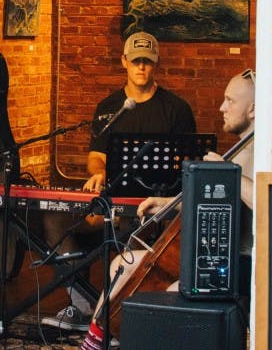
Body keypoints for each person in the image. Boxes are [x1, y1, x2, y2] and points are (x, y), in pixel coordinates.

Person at [81, 68, 256, 348]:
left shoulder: (264, 152)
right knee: (121, 265)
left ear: (253, 110)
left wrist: (226, 173)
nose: (221, 107)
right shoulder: (240, 149)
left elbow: (266, 200)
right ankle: (95, 341)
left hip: (238, 264)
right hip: (208, 256)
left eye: (230, 101)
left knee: (175, 292)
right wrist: (166, 203)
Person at [41, 32, 196, 332]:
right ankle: (82, 305)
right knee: (55, 220)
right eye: (136, 61)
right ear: (124, 61)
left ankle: (122, 318)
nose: (141, 68)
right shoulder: (110, 108)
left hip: (157, 209)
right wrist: (98, 172)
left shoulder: (176, 110)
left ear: (156, 65)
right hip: (112, 204)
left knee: (131, 231)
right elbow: (96, 157)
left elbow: (188, 164)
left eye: (147, 62)